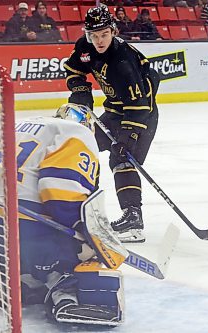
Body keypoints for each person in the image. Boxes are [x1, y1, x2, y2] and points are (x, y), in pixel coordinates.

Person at [0, 104, 128, 326]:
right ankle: (66, 294)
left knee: (21, 257)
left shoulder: (24, 126)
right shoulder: (77, 132)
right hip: (31, 232)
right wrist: (90, 234)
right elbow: (60, 193)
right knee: (88, 251)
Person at [63, 5, 160, 243]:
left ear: (113, 31)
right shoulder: (85, 47)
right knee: (84, 147)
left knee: (121, 159)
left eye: (104, 34)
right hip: (114, 112)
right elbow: (73, 69)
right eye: (94, 35)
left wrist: (129, 136)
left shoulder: (123, 60)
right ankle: (78, 209)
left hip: (142, 115)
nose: (99, 40)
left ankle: (133, 219)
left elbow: (139, 103)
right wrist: (81, 91)